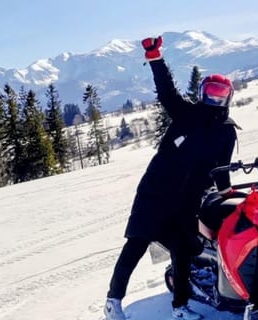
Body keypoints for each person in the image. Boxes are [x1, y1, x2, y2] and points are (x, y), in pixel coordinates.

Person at [104, 36, 238, 320]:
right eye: (211, 93)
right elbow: (167, 90)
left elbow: (222, 169)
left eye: (221, 94)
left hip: (188, 200)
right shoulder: (186, 113)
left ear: (229, 97)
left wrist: (227, 193)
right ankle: (113, 301)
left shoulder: (227, 130)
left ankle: (180, 306)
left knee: (182, 251)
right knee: (137, 243)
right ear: (202, 94)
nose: (215, 99)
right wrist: (156, 58)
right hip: (155, 191)